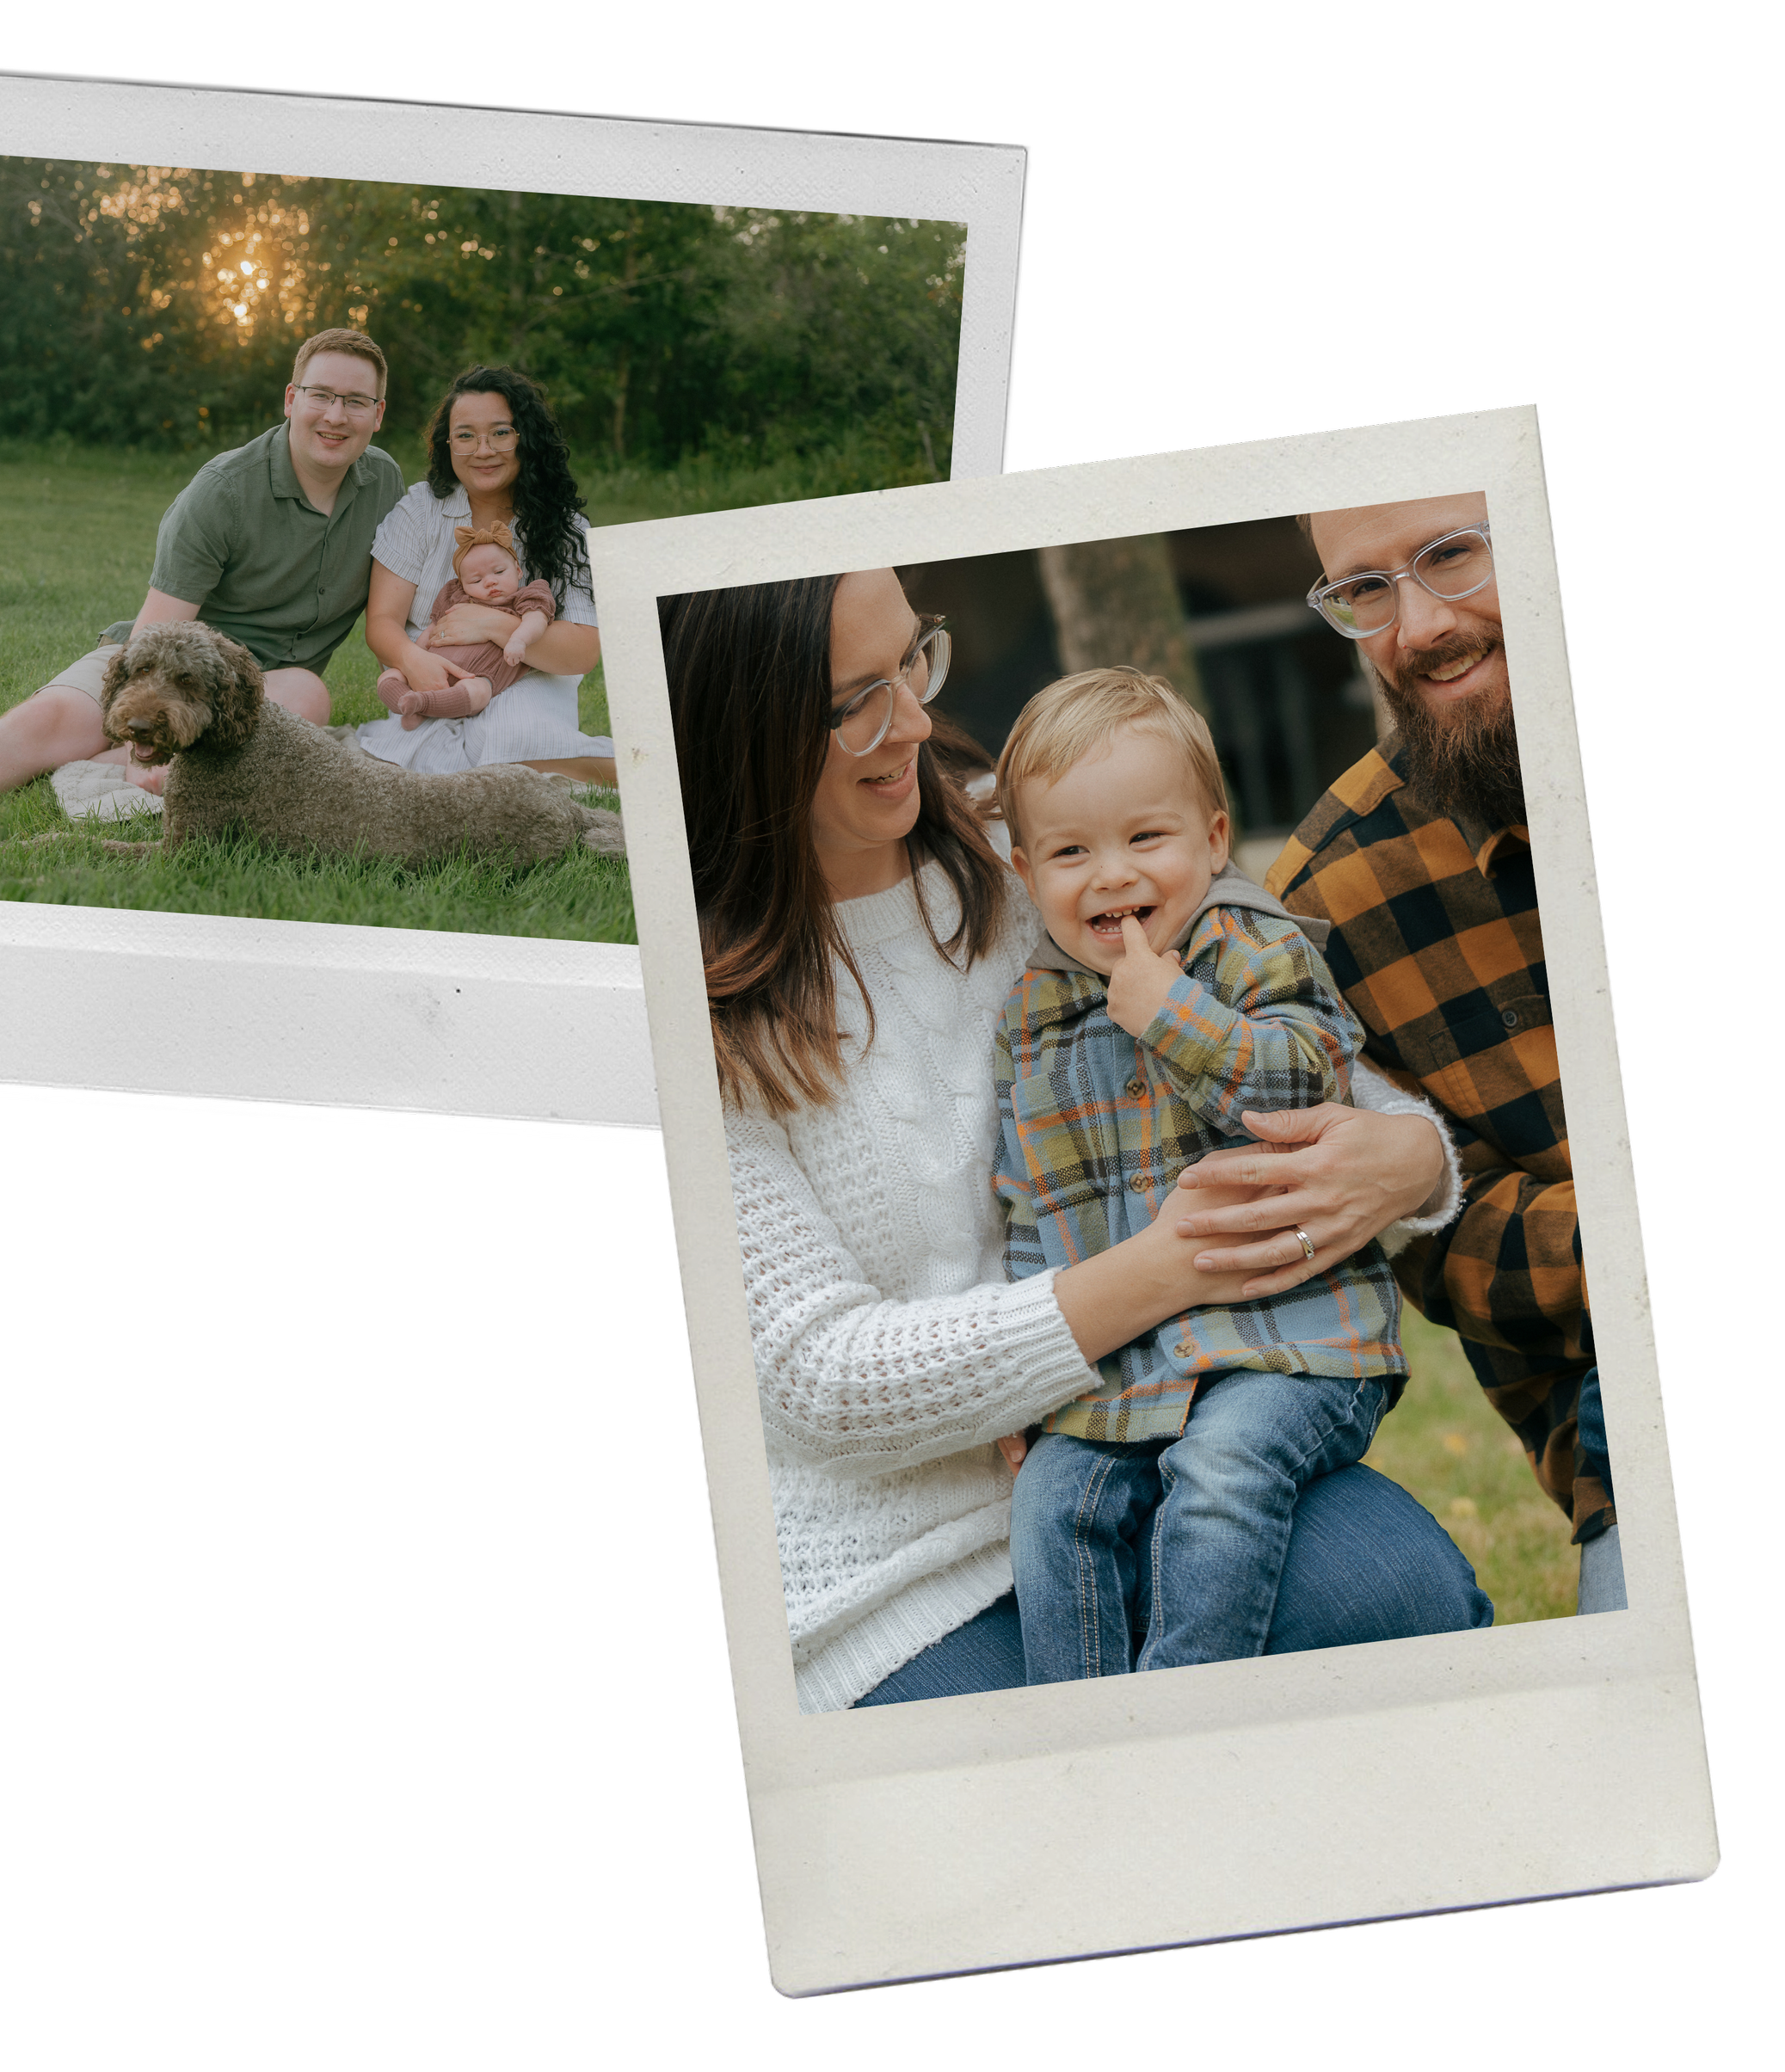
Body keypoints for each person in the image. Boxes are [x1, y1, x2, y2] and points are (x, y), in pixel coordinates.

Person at [660, 569, 1491, 1715]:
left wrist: (1408, 1160)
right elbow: (818, 1379)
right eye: (856, 699)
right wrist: (1164, 1270)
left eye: (915, 660)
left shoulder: (1046, 857)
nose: (911, 719)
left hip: (1160, 1418)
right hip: (891, 1561)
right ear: (736, 722)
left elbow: (1286, 1038)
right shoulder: (686, 1007)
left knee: (1401, 1593)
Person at [989, 667, 1409, 1682]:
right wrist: (1020, 1379)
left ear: (1214, 840)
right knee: (1052, 1505)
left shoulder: (1254, 947)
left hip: (1292, 1348)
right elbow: (1022, 1207)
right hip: (1125, 1374)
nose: (1110, 875)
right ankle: (1086, 1738)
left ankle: (1186, 1707)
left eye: (1146, 838)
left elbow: (1307, 1078)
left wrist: (1169, 1011)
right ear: (1024, 868)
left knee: (1219, 1473)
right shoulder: (1029, 1017)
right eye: (1070, 851)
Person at [1268, 492, 1622, 1612]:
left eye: (1452, 554)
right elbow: (1457, 1254)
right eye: (1366, 589)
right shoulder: (1330, 901)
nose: (1419, 628)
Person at [0, 328, 404, 838]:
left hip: (267, 687)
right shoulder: (223, 492)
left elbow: (402, 606)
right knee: (49, 723)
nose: (335, 415)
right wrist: (144, 722)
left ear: (377, 415)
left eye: (355, 401)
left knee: (306, 696)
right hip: (165, 660)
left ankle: (111, 762)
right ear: (291, 399)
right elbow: (157, 637)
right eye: (321, 395)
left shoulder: (385, 486)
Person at [355, 365, 616, 784]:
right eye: (465, 435)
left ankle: (600, 768)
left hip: (529, 681)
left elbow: (582, 651)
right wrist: (411, 659)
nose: (483, 450)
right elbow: (383, 621)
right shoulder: (419, 510)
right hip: (434, 673)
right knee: (414, 758)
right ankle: (536, 775)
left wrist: (493, 623)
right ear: (448, 444)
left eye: (501, 432)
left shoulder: (567, 530)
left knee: (508, 738)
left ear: (525, 438)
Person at [374, 522, 551, 727]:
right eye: (476, 581)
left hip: (478, 675)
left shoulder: (525, 597)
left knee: (479, 692)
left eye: (499, 572)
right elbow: (433, 628)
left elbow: (538, 620)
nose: (490, 582)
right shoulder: (457, 597)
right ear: (462, 585)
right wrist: (417, 657)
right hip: (434, 667)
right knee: (390, 675)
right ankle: (405, 703)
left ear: (518, 570)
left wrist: (520, 640)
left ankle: (421, 705)